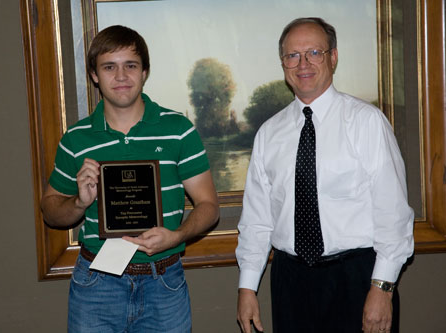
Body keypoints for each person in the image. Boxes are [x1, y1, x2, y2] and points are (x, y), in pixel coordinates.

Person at [236, 17, 414, 333]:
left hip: (357, 278)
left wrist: (382, 287)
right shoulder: (269, 134)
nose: (302, 63)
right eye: (293, 55)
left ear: (332, 57)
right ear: (283, 64)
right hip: (290, 282)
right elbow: (257, 220)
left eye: (314, 53)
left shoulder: (367, 123)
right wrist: (247, 287)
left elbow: (394, 215)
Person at [41, 25, 219, 332]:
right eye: (109, 67)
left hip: (163, 281)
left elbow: (209, 206)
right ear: (94, 75)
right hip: (97, 282)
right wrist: (79, 202)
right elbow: (51, 210)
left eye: (131, 66)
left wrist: (176, 236)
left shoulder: (179, 129)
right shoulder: (75, 138)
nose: (121, 77)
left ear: (145, 72)